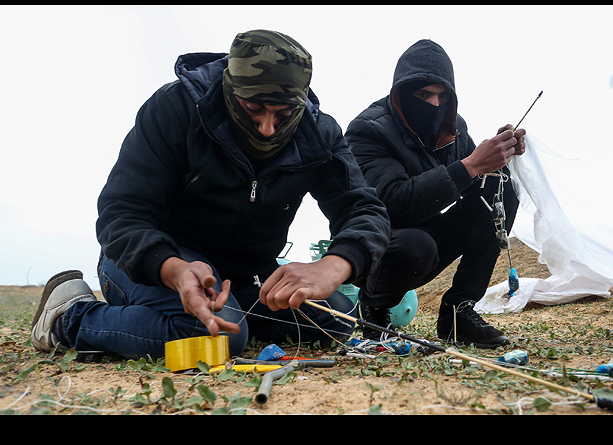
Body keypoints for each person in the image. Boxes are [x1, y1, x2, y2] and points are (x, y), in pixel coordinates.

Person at [31, 30, 390, 360]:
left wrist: (334, 265)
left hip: (246, 273)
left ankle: (233, 314)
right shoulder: (176, 109)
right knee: (214, 338)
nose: (267, 128)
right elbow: (122, 211)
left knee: (338, 319)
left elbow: (364, 209)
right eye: (253, 109)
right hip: (154, 261)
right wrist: (172, 269)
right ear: (229, 89)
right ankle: (69, 317)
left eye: (283, 114)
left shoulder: (318, 133)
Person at [345, 39, 526, 349]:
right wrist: (470, 165)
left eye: (443, 96)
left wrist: (496, 155)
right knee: (417, 244)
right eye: (423, 95)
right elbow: (390, 204)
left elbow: (475, 181)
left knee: (499, 182)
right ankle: (374, 310)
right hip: (376, 246)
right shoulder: (369, 130)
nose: (434, 105)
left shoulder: (453, 129)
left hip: (429, 236)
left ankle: (459, 310)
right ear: (401, 93)